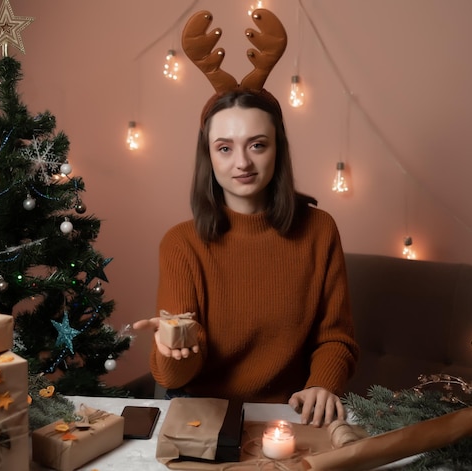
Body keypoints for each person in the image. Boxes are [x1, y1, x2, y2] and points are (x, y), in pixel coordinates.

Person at [133, 86, 360, 427]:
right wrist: (174, 347)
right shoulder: (181, 243)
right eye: (224, 148)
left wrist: (321, 385)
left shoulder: (319, 229)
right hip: (202, 416)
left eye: (257, 144)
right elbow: (174, 379)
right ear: (208, 156)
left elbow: (335, 337)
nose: (242, 162)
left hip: (289, 416)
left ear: (277, 148)